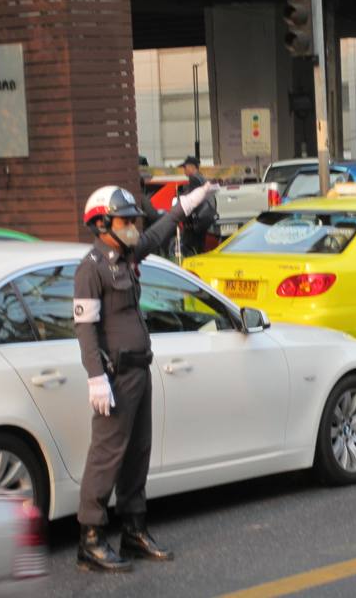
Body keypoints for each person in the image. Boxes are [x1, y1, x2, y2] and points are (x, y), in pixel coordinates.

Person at [73, 182, 215, 573]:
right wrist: (95, 376)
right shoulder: (92, 268)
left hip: (139, 369)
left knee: (137, 453)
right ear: (102, 223)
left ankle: (134, 531)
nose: (134, 224)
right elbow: (85, 329)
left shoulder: (127, 253)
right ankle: (90, 539)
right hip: (114, 376)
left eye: (134, 218)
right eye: (126, 219)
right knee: (106, 457)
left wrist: (185, 206)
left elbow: (158, 232)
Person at [178, 155, 218, 255]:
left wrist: (186, 220)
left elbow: (194, 201)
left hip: (197, 220)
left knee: (189, 246)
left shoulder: (194, 179)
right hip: (205, 218)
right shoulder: (202, 178)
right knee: (199, 246)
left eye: (185, 167)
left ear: (192, 167)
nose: (184, 170)